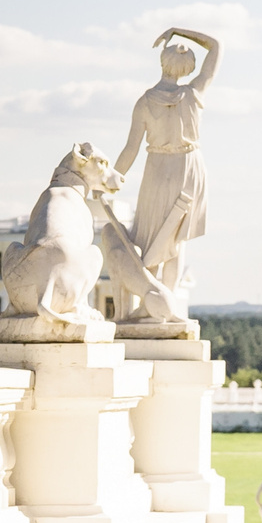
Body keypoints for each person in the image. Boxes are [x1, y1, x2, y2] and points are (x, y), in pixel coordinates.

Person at [108, 27, 220, 322]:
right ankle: (164, 307)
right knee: (175, 241)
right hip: (189, 168)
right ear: (187, 68)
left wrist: (113, 179)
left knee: (149, 239)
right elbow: (215, 46)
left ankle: (152, 302)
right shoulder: (194, 93)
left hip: (157, 168)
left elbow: (131, 149)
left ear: (162, 63)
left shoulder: (145, 102)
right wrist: (178, 31)